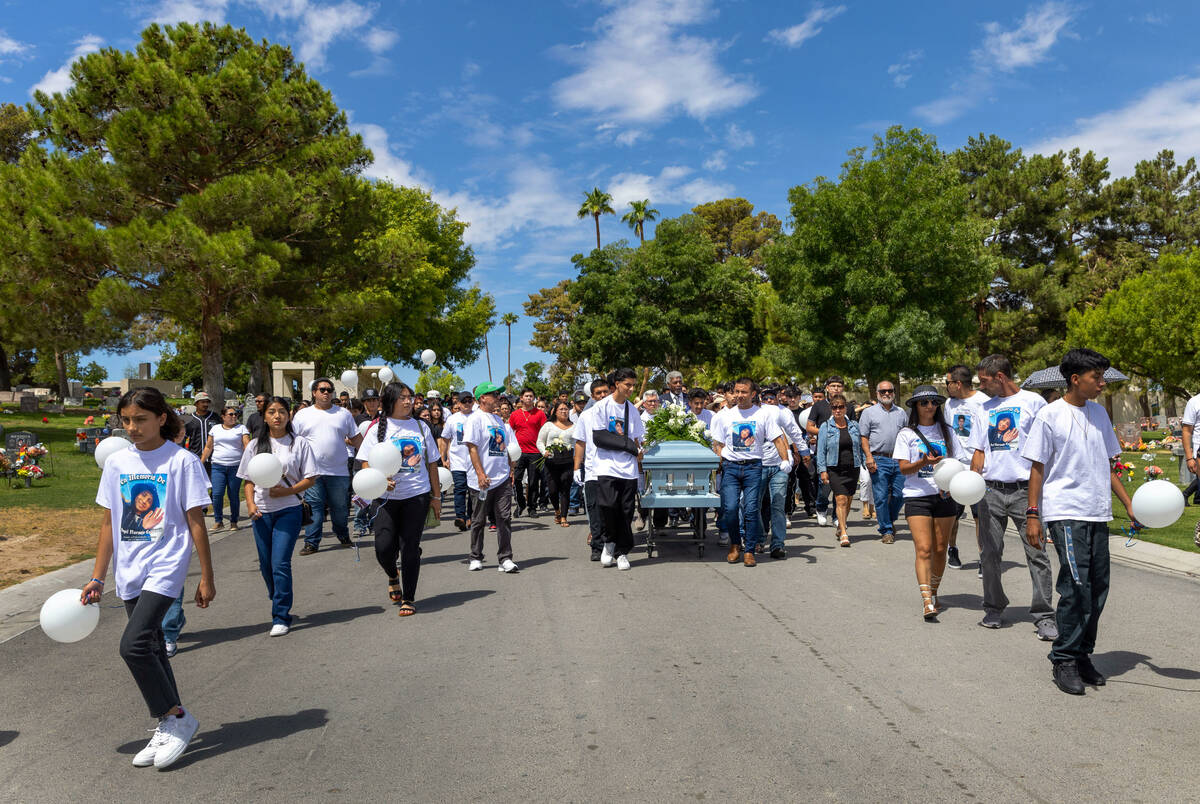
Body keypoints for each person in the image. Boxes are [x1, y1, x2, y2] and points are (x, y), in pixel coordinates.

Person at [81, 387, 215, 769]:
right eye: (126, 421)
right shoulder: (117, 463)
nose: (132, 427)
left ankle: (176, 717)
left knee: (133, 647)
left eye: (140, 419)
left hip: (165, 565)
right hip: (129, 569)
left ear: (161, 418)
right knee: (153, 648)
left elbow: (196, 521)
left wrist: (206, 575)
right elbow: (108, 522)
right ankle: (170, 720)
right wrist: (97, 577)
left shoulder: (182, 461)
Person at [1020, 349, 1136, 694]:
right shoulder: (1050, 415)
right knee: (1076, 586)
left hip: (1097, 511)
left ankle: (1083, 653)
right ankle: (1064, 659)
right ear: (1075, 379)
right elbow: (1037, 468)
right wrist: (1032, 514)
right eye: (1096, 378)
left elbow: (1107, 465)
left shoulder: (1099, 414)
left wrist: (1129, 504)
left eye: (1103, 377)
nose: (1102, 383)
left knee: (1099, 587)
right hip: (1065, 512)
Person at [969, 354, 1056, 640]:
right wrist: (971, 479)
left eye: (984, 380)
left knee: (1037, 552)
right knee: (990, 554)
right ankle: (994, 607)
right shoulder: (983, 408)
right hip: (991, 490)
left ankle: (1044, 615)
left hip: (1024, 491)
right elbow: (979, 450)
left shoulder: (1034, 403)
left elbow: (1045, 450)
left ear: (1000, 377)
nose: (981, 386)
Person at [356, 382, 441, 617]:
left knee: (410, 548)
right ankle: (393, 574)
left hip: (417, 495)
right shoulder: (377, 429)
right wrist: (381, 478)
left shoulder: (421, 427)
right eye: (402, 397)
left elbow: (432, 464)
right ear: (391, 401)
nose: (408, 401)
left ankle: (409, 597)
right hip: (385, 499)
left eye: (410, 397)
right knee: (383, 548)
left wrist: (435, 497)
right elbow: (365, 461)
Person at [238, 397, 317, 636]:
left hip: (289, 510)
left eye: (282, 412)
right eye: (272, 412)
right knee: (266, 565)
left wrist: (289, 490)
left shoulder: (299, 443)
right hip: (261, 512)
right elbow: (248, 479)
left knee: (280, 563)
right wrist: (250, 505)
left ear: (289, 415)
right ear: (264, 416)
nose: (277, 416)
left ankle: (281, 615)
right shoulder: (254, 445)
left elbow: (311, 477)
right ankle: (278, 596)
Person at [894, 385, 960, 619]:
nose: (930, 406)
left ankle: (934, 591)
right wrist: (923, 463)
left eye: (933, 402)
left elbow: (957, 463)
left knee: (941, 549)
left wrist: (953, 485)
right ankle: (926, 601)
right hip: (917, 497)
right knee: (924, 549)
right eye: (924, 402)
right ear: (915, 407)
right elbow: (903, 469)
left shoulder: (948, 432)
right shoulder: (907, 434)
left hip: (945, 496)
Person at [574, 368, 646, 570]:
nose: (631, 389)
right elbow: (599, 438)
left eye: (633, 385)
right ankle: (608, 542)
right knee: (607, 507)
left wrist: (638, 450)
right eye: (628, 385)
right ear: (617, 384)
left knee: (625, 511)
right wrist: (628, 446)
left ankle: (622, 552)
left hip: (628, 470)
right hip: (605, 467)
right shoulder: (601, 407)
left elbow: (637, 438)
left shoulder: (632, 409)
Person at [711, 377, 787, 566]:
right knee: (730, 509)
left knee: (752, 510)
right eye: (736, 391)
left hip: (754, 467)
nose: (739, 395)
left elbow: (778, 439)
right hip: (731, 468)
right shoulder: (725, 416)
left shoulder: (762, 415)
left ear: (753, 394)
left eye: (744, 392)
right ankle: (735, 544)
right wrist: (720, 462)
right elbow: (718, 443)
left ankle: (750, 550)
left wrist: (785, 460)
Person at [292, 377, 363, 555]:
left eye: (329, 390)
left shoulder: (343, 414)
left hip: (338, 471)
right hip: (311, 471)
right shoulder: (302, 415)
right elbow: (293, 441)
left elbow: (355, 438)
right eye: (322, 389)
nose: (326, 392)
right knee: (314, 506)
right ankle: (312, 542)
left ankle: (342, 534)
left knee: (339, 507)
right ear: (314, 393)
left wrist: (369, 456)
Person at [465, 382, 520, 572]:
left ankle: (505, 558)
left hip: (502, 479)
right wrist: (480, 474)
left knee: (504, 518)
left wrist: (511, 468)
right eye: (494, 394)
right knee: (479, 520)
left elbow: (511, 448)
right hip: (482, 481)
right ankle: (475, 556)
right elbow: (472, 448)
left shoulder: (500, 422)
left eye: (499, 394)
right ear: (483, 398)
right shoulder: (474, 419)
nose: (498, 397)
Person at [944, 365, 989, 570]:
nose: (946, 387)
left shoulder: (983, 402)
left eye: (948, 383)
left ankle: (983, 556)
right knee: (954, 514)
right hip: (955, 467)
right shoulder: (949, 404)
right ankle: (952, 549)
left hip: (978, 468)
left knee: (980, 515)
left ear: (958, 383)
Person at [759, 387, 809, 559]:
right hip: (757, 466)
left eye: (772, 397)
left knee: (777, 505)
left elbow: (795, 432)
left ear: (778, 398)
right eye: (765, 397)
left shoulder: (783, 412)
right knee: (756, 505)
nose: (769, 400)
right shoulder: (753, 412)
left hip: (780, 465)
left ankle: (778, 544)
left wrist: (804, 452)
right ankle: (759, 539)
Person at [858, 381, 908, 544]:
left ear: (894, 392)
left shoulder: (901, 412)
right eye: (883, 391)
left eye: (890, 391)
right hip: (878, 459)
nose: (887, 393)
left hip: (899, 458)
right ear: (877, 393)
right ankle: (886, 530)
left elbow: (907, 435)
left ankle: (890, 519)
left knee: (900, 494)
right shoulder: (869, 413)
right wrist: (868, 457)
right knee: (880, 497)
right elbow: (863, 436)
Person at [816, 393, 864, 547]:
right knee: (840, 500)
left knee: (848, 500)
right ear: (831, 409)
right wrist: (822, 470)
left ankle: (840, 525)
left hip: (852, 468)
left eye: (841, 407)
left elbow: (860, 446)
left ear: (846, 408)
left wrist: (865, 461)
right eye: (834, 407)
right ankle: (843, 532)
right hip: (834, 469)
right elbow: (821, 450)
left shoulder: (854, 426)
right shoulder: (826, 426)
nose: (837, 410)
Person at [807, 377, 854, 528]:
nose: (835, 388)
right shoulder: (819, 405)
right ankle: (821, 508)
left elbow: (853, 427)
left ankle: (836, 516)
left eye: (839, 386)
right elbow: (809, 426)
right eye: (832, 386)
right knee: (824, 485)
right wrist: (826, 432)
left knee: (840, 489)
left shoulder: (849, 407)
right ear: (827, 388)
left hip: (844, 453)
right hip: (825, 452)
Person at [201, 406, 250, 532]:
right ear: (223, 417)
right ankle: (219, 521)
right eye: (231, 414)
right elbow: (208, 446)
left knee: (233, 495)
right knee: (217, 494)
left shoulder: (241, 428)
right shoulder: (215, 429)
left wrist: (250, 459)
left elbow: (247, 445)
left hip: (235, 467)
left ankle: (234, 521)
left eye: (236, 414)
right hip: (218, 466)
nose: (234, 417)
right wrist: (200, 462)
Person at [578, 378, 612, 559]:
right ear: (593, 396)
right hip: (592, 470)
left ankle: (610, 543)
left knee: (611, 509)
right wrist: (577, 467)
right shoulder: (586, 416)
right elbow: (580, 442)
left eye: (605, 391)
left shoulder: (618, 413)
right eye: (598, 393)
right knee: (594, 509)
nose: (602, 395)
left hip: (614, 470)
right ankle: (597, 547)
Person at [439, 391, 476, 531]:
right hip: (457, 460)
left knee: (473, 490)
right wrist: (444, 457)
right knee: (460, 489)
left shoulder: (478, 417)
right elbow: (445, 439)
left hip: (474, 461)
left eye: (469, 401)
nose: (467, 403)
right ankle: (461, 516)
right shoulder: (452, 419)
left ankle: (471, 517)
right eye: (464, 401)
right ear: (458, 403)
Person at [509, 388, 548, 519]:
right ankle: (520, 504)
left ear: (534, 398)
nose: (529, 398)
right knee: (517, 481)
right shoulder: (515, 415)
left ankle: (532, 507)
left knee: (533, 482)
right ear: (521, 398)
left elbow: (545, 432)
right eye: (526, 396)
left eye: (531, 396)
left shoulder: (540, 414)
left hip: (535, 452)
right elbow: (510, 433)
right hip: (519, 453)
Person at [538, 400, 577, 527]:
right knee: (553, 490)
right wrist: (544, 451)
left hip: (568, 462)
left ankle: (564, 517)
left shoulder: (574, 426)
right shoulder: (548, 425)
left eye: (566, 409)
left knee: (565, 489)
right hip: (551, 462)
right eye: (561, 409)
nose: (564, 411)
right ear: (555, 411)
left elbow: (578, 444)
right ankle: (557, 511)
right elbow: (539, 441)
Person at [182, 391, 217, 468]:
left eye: (207, 402)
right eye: (203, 402)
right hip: (195, 457)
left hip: (214, 459)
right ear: (196, 404)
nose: (206, 404)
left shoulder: (216, 417)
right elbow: (182, 439)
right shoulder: (189, 419)